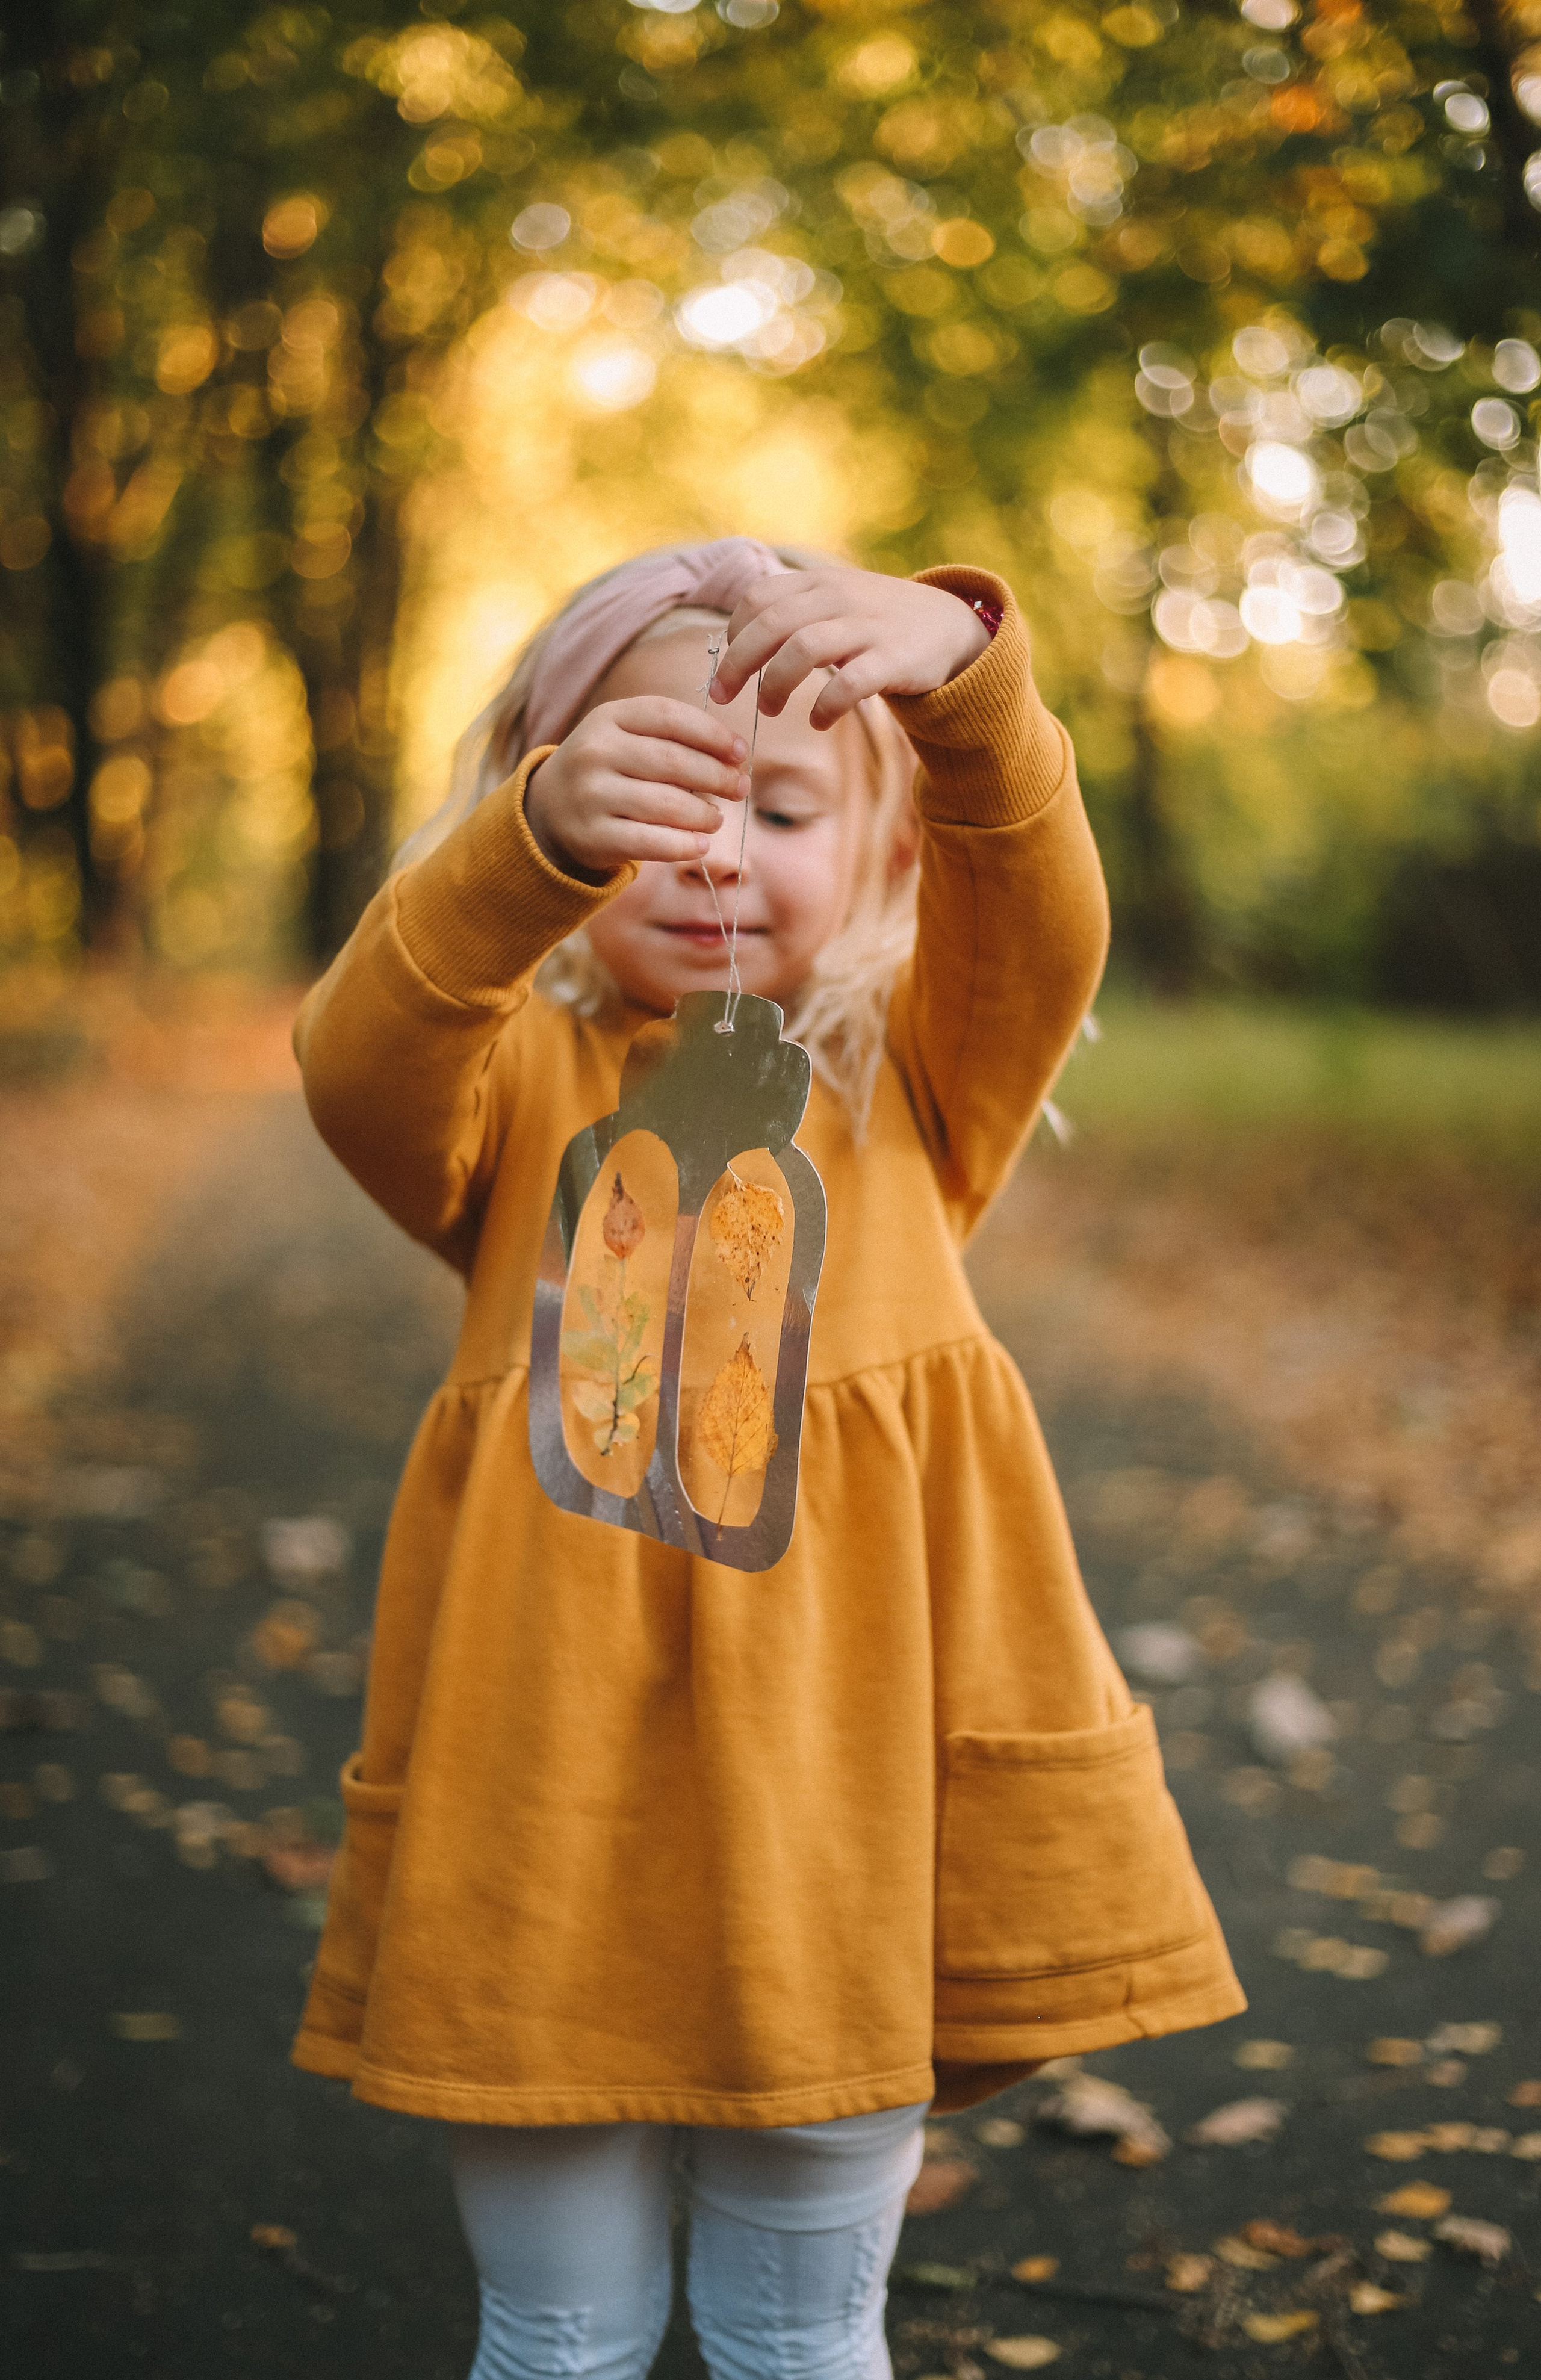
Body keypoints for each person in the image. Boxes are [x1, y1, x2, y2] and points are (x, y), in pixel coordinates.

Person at [290, 539, 1244, 2379]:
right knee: (559, 2330)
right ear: (545, 812)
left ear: (887, 849)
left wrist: (963, 685)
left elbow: (1041, 906)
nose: (715, 848)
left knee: (803, 2339)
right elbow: (359, 1057)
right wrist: (525, 848)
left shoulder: (916, 1077)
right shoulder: (512, 1098)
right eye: (650, 795)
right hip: (543, 1832)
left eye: (784, 803)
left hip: (838, 1849)